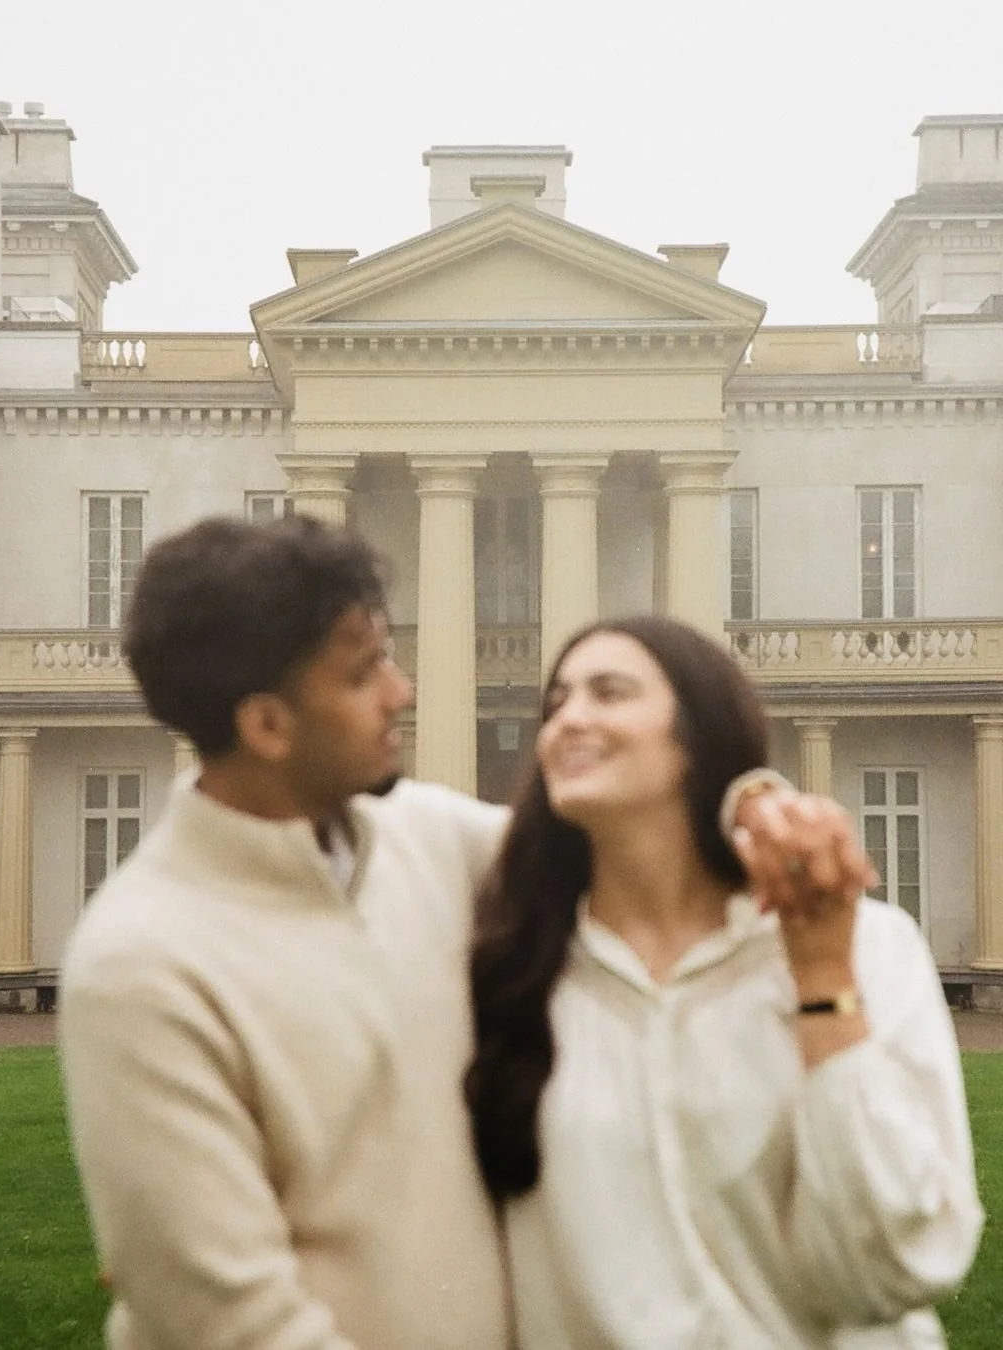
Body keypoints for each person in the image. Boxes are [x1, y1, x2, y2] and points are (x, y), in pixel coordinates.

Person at [60, 515, 876, 1350]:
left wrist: (753, 802)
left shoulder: (422, 841)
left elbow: (624, 832)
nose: (402, 690)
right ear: (268, 726)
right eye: (364, 671)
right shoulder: (139, 965)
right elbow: (233, 1325)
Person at [466, 615, 984, 1350]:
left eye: (608, 692)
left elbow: (893, 1269)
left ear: (696, 735)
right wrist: (755, 799)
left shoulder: (868, 944)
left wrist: (822, 978)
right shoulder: (519, 963)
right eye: (556, 704)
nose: (569, 718)